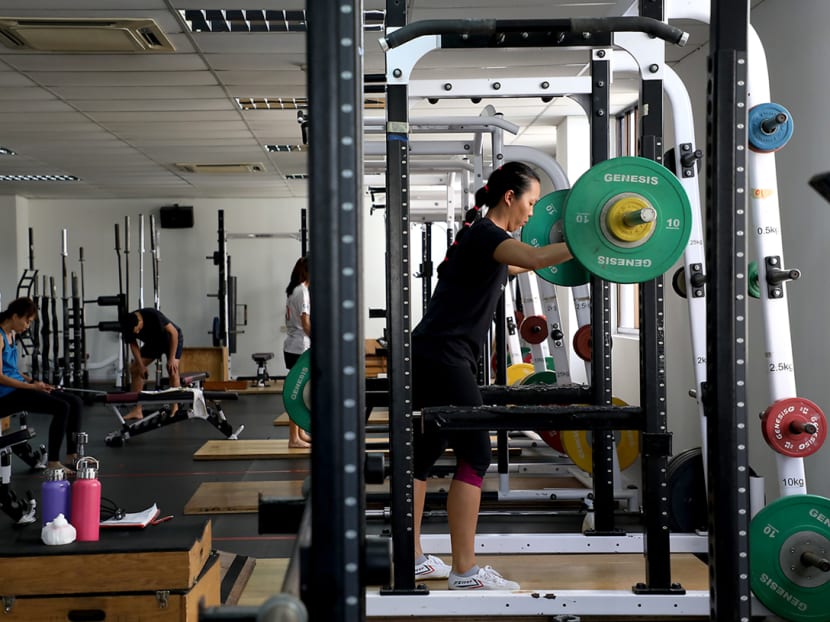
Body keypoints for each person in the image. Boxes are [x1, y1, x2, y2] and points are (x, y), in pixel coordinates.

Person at [411, 162, 573, 590]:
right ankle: (464, 571)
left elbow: (525, 265)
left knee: (422, 455)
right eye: (531, 203)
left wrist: (562, 258)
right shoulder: (488, 235)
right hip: (446, 355)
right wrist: (585, 245)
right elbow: (535, 256)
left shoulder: (482, 239)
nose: (532, 214)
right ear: (509, 197)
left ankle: (411, 558)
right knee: (477, 454)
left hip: (431, 350)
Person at [0, 297, 83, 474]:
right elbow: (0, 378)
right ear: (15, 316)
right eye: (27, 321)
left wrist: (35, 382)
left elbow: (11, 370)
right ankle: (53, 462)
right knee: (62, 407)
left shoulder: (12, 334)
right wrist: (32, 388)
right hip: (5, 396)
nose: (28, 326)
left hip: (19, 388)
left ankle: (72, 454)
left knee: (76, 402)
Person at [119, 308, 183, 421]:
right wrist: (141, 366)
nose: (138, 333)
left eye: (138, 330)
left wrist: (172, 358)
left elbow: (173, 333)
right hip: (154, 343)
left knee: (172, 370)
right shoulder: (128, 324)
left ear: (140, 321)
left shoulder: (153, 315)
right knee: (135, 369)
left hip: (171, 340)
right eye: (136, 332)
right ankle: (137, 410)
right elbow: (133, 344)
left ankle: (175, 407)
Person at [283, 256, 313, 448]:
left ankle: (300, 433)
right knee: (298, 393)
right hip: (298, 347)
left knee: (301, 392)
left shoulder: (294, 290)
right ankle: (293, 438)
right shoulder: (302, 290)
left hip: (294, 346)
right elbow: (305, 323)